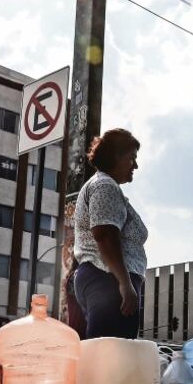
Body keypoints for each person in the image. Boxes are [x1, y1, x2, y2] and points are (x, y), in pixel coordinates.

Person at [72, 129, 147, 339]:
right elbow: (105, 235)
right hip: (108, 280)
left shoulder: (104, 185)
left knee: (109, 347)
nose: (135, 165)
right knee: (111, 350)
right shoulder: (105, 185)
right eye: (131, 158)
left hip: (106, 279)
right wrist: (125, 283)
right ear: (115, 156)